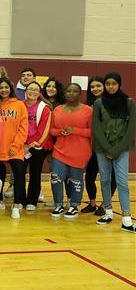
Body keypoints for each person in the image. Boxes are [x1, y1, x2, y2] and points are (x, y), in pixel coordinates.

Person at [91, 72, 135, 232]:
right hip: (102, 149)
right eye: (108, 83)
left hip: (122, 149)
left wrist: (116, 149)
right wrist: (107, 149)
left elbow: (131, 130)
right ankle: (108, 212)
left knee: (123, 183)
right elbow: (95, 127)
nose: (111, 87)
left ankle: (126, 219)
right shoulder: (98, 103)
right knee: (104, 181)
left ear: (119, 84)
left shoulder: (129, 103)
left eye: (114, 83)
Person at [49, 83, 92, 219]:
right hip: (60, 150)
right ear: (65, 93)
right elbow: (52, 130)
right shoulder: (57, 110)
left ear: (80, 94)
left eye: (75, 91)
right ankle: (58, 205)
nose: (71, 94)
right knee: (55, 177)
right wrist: (60, 132)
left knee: (75, 180)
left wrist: (75, 130)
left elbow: (92, 131)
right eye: (69, 91)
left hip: (80, 151)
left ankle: (73, 205)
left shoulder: (88, 110)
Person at [0, 77, 28, 218]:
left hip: (15, 147)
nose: (4, 90)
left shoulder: (19, 105)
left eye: (6, 87)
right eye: (1, 88)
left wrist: (16, 145)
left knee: (19, 174)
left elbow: (23, 128)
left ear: (11, 89)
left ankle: (16, 205)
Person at [83, 76, 114, 215]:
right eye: (92, 87)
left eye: (98, 86)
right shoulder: (88, 105)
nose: (95, 89)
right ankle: (92, 203)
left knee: (108, 178)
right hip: (93, 147)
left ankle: (105, 205)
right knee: (89, 176)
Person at [22, 81, 53, 210]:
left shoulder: (44, 108)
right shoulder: (20, 105)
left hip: (37, 146)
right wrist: (22, 143)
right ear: (25, 91)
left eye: (35, 89)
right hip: (21, 145)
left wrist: (30, 144)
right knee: (19, 173)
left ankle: (32, 201)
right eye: (30, 89)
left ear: (39, 93)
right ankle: (20, 200)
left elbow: (43, 129)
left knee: (35, 173)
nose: (32, 92)